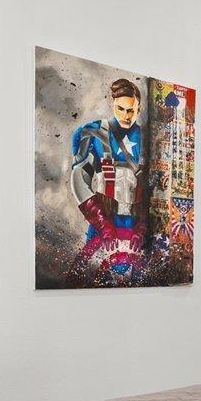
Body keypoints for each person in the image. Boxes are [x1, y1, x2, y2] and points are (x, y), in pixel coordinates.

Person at [69, 78, 145, 275]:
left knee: (143, 279)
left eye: (131, 110)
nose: (126, 115)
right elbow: (79, 177)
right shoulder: (94, 133)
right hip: (104, 218)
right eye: (121, 109)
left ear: (139, 108)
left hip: (135, 222)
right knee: (85, 273)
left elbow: (154, 187)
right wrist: (101, 220)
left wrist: (143, 225)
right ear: (113, 104)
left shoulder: (148, 138)